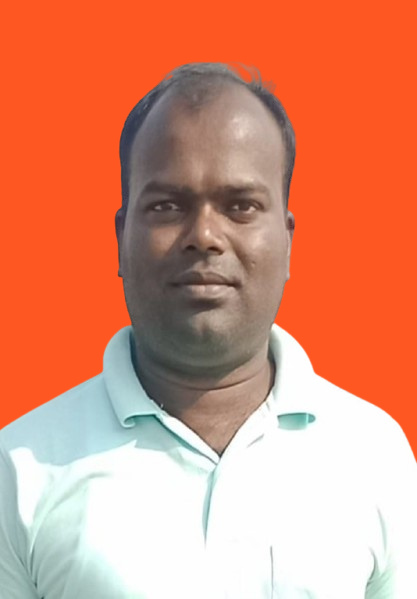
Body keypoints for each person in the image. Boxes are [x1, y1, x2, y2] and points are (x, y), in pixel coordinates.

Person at [0, 62, 416, 599]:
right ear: (121, 237)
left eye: (241, 206)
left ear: (287, 239)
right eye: (167, 206)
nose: (204, 236)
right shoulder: (20, 468)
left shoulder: (375, 454)